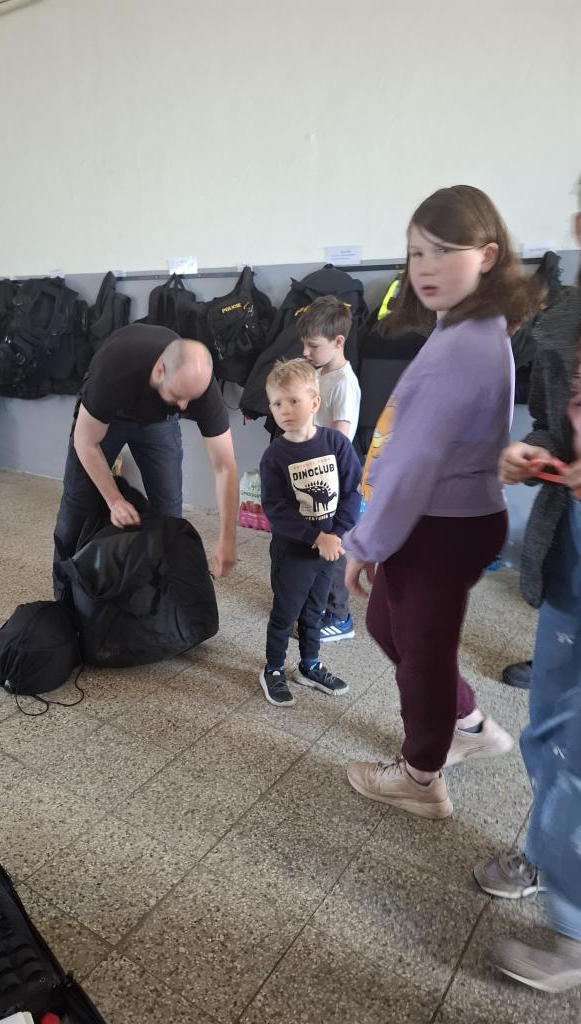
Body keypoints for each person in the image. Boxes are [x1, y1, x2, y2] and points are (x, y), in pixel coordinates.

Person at [342, 184, 534, 819]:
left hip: (440, 524)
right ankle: (470, 725)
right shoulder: (471, 326)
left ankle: (421, 777)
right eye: (416, 252)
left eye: (443, 251)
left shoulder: (464, 344)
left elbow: (412, 466)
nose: (424, 267)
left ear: (486, 256)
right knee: (389, 626)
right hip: (444, 518)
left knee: (422, 654)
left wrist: (365, 543)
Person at [473, 199, 581, 993]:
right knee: (549, 724)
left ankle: (573, 930)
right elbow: (554, 424)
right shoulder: (563, 319)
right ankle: (554, 857)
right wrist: (531, 451)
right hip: (571, 546)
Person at [52, 323, 238, 600]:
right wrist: (114, 500)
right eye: (179, 396)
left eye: (191, 398)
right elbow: (85, 442)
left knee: (169, 512)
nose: (185, 407)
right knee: (77, 508)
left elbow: (225, 466)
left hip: (159, 422)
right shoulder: (114, 369)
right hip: (110, 417)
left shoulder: (198, 386)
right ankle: (64, 597)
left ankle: (164, 600)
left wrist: (228, 538)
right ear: (160, 370)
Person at [258, 358, 361, 707]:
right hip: (295, 552)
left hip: (328, 549)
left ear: (315, 402)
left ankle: (309, 666)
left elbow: (351, 492)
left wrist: (336, 534)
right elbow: (276, 509)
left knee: (315, 611)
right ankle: (273, 669)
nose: (284, 410)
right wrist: (317, 538)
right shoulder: (274, 456)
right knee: (286, 613)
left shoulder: (336, 444)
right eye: (277, 403)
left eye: (293, 401)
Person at [298, 296, 362, 643]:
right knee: (313, 545)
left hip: (333, 478)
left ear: (338, 341)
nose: (305, 352)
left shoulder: (344, 383)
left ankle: (340, 617)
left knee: (333, 548)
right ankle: (317, 606)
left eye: (313, 345)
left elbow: (340, 441)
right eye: (304, 344)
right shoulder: (319, 372)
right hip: (313, 473)